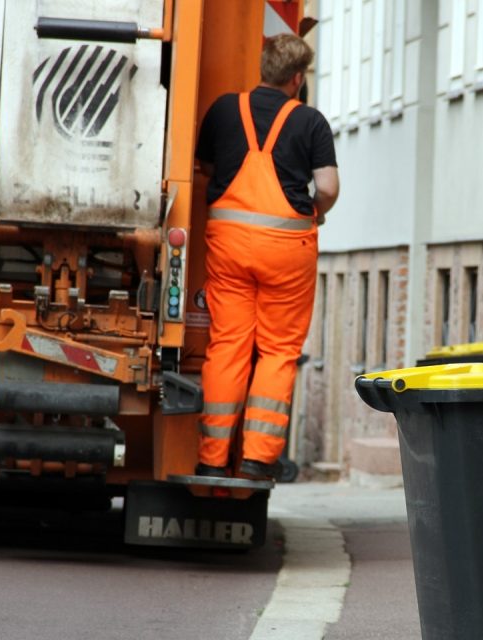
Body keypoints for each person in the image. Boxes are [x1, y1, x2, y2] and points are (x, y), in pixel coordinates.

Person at [193, 33, 339, 480]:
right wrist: (316, 210)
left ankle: (212, 458)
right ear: (297, 78)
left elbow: (206, 168)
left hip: (230, 248)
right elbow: (329, 187)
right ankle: (257, 458)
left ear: (263, 70)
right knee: (276, 350)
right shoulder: (310, 122)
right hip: (286, 252)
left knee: (228, 345)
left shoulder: (222, 109)